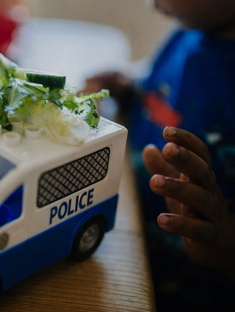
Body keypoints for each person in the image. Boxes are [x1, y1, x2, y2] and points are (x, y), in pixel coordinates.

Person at [81, 0, 235, 310]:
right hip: (129, 244)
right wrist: (127, 88)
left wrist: (222, 245)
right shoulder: (189, 33)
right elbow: (159, 88)